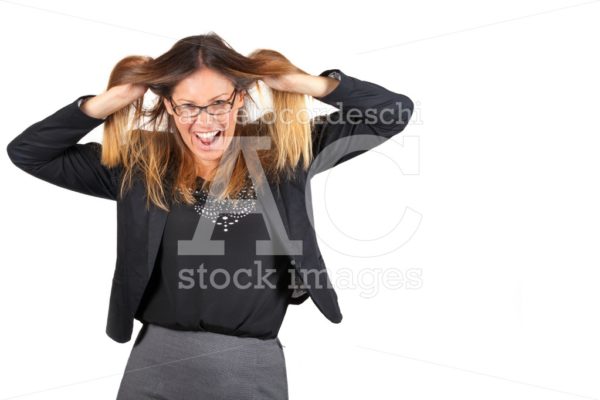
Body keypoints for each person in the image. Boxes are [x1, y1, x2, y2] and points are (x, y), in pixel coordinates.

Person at [6, 31, 414, 399]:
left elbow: (392, 112)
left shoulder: (281, 152)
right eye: (187, 106)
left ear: (240, 97)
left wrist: (305, 84)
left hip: (249, 365)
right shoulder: (139, 165)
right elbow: (28, 153)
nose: (205, 121)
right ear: (167, 104)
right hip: (154, 363)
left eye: (219, 102)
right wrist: (102, 104)